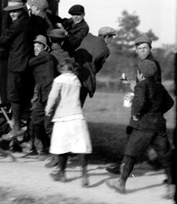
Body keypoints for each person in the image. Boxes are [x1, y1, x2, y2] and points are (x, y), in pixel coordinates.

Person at [106, 60, 174, 197]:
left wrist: (136, 114)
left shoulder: (141, 85)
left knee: (130, 154)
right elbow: (170, 102)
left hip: (143, 127)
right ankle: (172, 188)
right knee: (166, 157)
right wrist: (157, 112)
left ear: (140, 73)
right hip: (159, 126)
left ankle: (121, 183)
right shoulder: (159, 86)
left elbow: (140, 102)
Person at [45, 58, 92, 187]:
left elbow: (53, 96)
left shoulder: (59, 80)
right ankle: (84, 174)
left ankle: (61, 173)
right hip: (77, 116)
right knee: (81, 145)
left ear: (61, 69)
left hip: (63, 116)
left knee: (62, 145)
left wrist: (48, 109)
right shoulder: (76, 81)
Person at [0, 0, 33, 140]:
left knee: (13, 94)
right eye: (10, 12)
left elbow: (5, 39)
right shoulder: (27, 20)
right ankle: (20, 123)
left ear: (21, 10)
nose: (12, 14)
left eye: (14, 11)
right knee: (21, 94)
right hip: (24, 61)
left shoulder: (18, 24)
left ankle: (16, 128)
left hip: (16, 62)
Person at [27, 35, 56, 157]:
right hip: (43, 94)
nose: (36, 49)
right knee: (36, 118)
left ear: (45, 47)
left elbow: (29, 63)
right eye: (34, 46)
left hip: (48, 95)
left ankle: (57, 153)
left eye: (38, 46)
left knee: (48, 124)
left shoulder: (45, 56)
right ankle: (40, 148)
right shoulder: (45, 57)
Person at [73, 26, 116, 106]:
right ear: (106, 37)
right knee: (78, 106)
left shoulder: (87, 37)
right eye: (111, 37)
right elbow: (96, 68)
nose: (111, 41)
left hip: (70, 72)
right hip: (85, 79)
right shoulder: (105, 50)